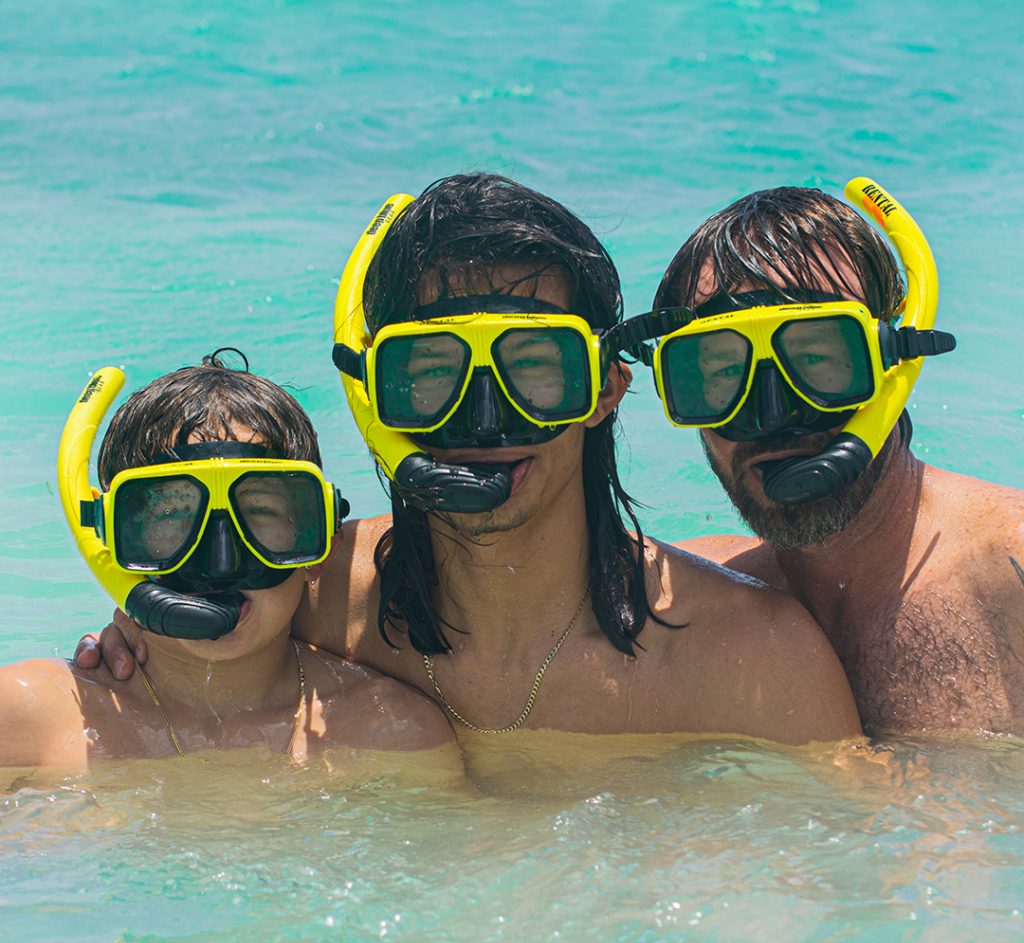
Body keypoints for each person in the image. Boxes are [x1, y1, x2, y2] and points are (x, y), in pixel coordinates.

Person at [78, 174, 861, 755]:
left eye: (532, 364)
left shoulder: (750, 663)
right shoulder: (306, 598)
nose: (482, 419)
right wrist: (135, 639)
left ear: (607, 386)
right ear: (377, 396)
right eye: (432, 369)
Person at [644, 178, 1024, 735]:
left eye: (817, 356)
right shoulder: (692, 602)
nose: (773, 414)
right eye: (724, 371)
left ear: (896, 361)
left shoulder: (1009, 576)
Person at [1, 354, 460, 770]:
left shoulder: (390, 731)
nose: (218, 560)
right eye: (173, 515)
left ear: (321, 543)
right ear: (114, 540)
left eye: (258, 513)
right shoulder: (30, 716)